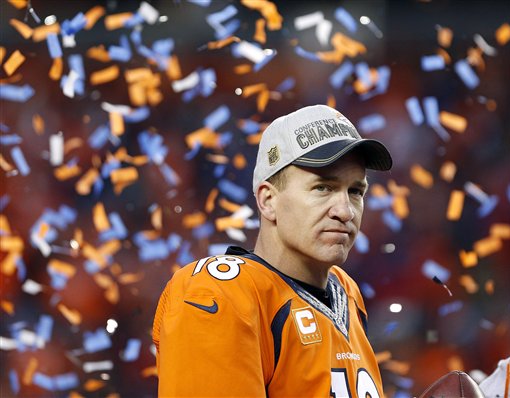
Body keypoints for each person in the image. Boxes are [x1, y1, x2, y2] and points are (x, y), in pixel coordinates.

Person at [153, 104, 393, 397]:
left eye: (355, 191)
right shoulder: (216, 291)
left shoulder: (346, 292)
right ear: (268, 200)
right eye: (323, 188)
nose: (344, 211)